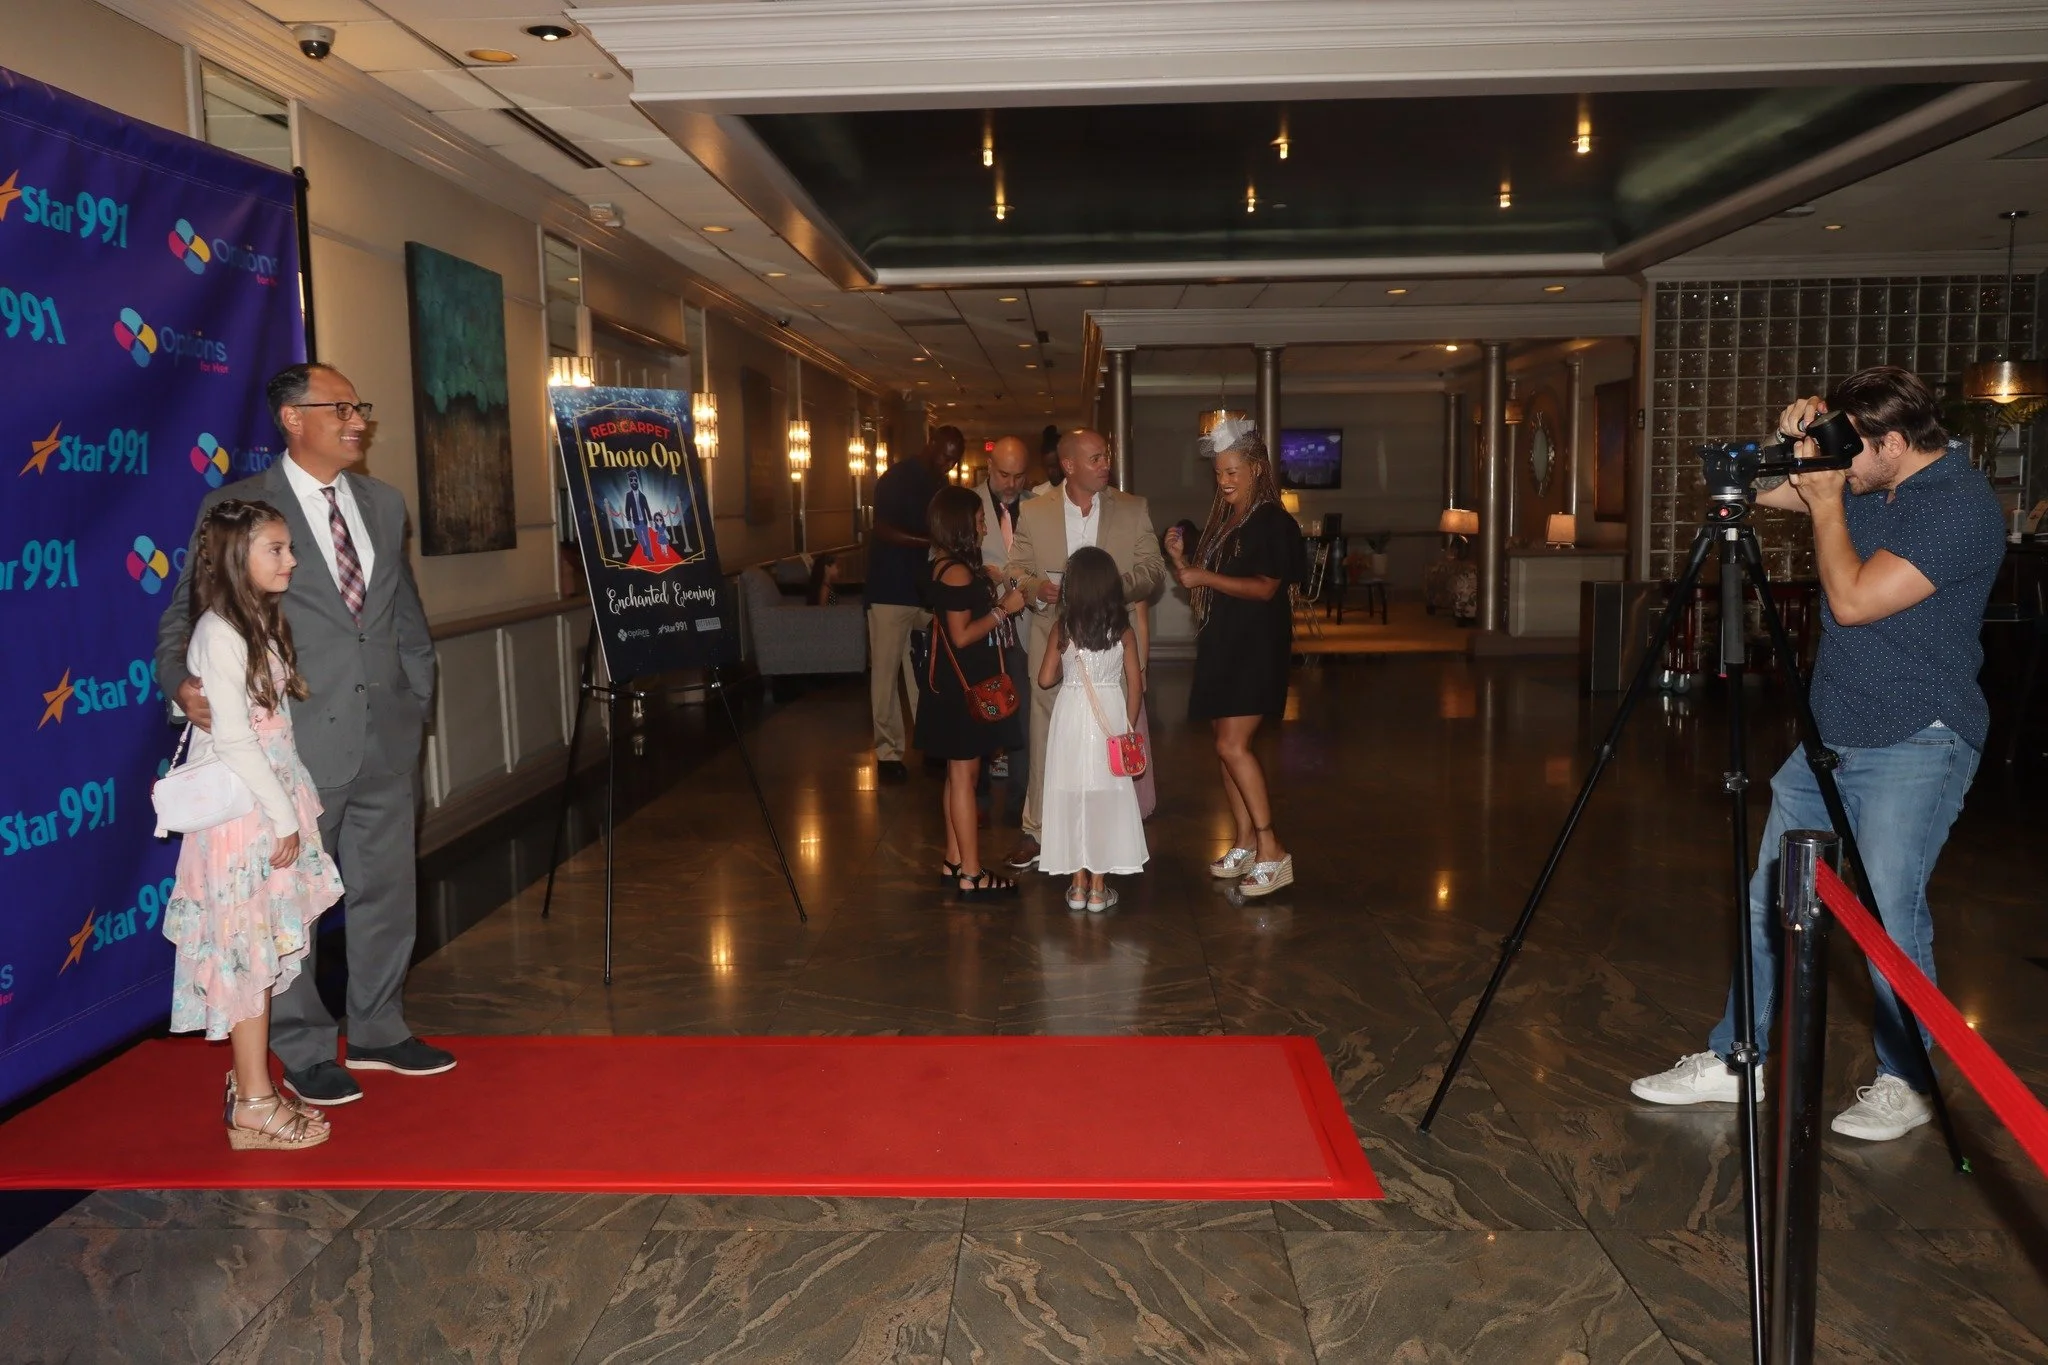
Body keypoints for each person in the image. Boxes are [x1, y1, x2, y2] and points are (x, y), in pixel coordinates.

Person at [1631, 366, 2005, 1141]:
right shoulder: (1874, 483)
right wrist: (1788, 442)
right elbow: (1741, 487)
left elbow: (1854, 601)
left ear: (1895, 444)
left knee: (1888, 912)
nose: (1838, 465)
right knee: (1772, 896)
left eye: (1851, 449)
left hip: (1917, 738)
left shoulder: (1960, 508)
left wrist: (1828, 495)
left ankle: (1908, 1078)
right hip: (1830, 732)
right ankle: (1743, 1057)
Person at [157, 363, 449, 1108]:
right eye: (341, 407)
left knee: (388, 887)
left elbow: (401, 612)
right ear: (292, 417)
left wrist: (416, 692)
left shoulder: (383, 503)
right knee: (291, 905)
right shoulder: (238, 505)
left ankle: (380, 1027)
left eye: (359, 405)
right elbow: (184, 616)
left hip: (385, 730)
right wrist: (182, 685)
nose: (358, 419)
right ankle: (307, 1047)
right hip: (292, 745)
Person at [164, 500, 346, 1150]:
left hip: (266, 803)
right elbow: (237, 740)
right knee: (247, 960)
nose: (291, 559)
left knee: (259, 958)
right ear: (240, 556)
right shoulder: (221, 632)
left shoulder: (254, 623)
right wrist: (278, 817)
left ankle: (252, 1089)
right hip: (247, 819)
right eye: (277, 548)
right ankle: (255, 1105)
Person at [1002, 430, 1164, 870]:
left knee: (1105, 738)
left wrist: (1109, 591)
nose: (1105, 464)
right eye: (1095, 458)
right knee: (1045, 735)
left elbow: (1153, 569)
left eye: (1106, 457)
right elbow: (1014, 570)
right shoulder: (1035, 512)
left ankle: (1103, 832)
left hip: (1111, 641)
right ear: (1068, 466)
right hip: (1053, 640)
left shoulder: (1133, 508)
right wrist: (1038, 588)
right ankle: (1036, 831)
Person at [1165, 417, 1304, 898]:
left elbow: (1265, 589)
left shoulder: (1271, 520)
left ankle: (1273, 850)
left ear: (1256, 469)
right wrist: (1184, 562)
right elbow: (1206, 583)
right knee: (1223, 746)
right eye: (1219, 473)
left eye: (1232, 472)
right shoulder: (1230, 520)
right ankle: (1245, 842)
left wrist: (1201, 576)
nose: (1223, 481)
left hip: (1255, 646)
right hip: (1225, 642)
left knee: (1232, 746)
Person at [918, 485, 1028, 897]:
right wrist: (1004, 609)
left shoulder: (944, 565)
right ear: (962, 524)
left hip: (949, 682)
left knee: (955, 774)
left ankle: (953, 859)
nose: (984, 528)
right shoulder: (959, 572)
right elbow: (962, 636)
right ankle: (972, 872)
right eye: (980, 521)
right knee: (966, 776)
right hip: (964, 686)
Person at [1037, 546, 1148, 912]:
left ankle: (1076, 886)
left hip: (1071, 718)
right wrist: (1128, 728)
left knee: (1073, 793)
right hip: (1110, 721)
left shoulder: (1063, 629)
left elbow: (1044, 678)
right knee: (1104, 796)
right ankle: (1099, 888)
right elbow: (1136, 685)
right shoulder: (1124, 632)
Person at [866, 427, 963, 782]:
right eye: (945, 454)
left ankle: (930, 743)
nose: (949, 463)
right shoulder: (897, 478)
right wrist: (928, 542)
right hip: (889, 590)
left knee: (927, 671)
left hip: (925, 593)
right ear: (931, 443)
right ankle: (888, 752)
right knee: (886, 674)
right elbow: (882, 528)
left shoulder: (941, 487)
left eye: (955, 458)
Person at [973, 436, 1037, 822]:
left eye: (1018, 476)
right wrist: (985, 577)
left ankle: (1020, 802)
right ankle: (977, 795)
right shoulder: (967, 504)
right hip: (981, 626)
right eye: (1003, 475)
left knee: (1023, 717)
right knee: (979, 712)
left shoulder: (1038, 507)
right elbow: (942, 560)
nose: (1011, 484)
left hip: (1026, 627)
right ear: (989, 468)